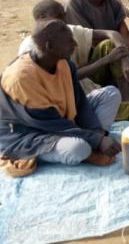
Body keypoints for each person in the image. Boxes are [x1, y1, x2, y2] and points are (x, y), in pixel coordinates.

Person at [0, 20, 122, 178]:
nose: (75, 44)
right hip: (31, 133)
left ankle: (92, 141)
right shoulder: (21, 77)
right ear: (50, 46)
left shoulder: (64, 64)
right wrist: (95, 140)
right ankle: (72, 153)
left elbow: (80, 102)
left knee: (111, 94)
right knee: (78, 148)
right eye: (69, 41)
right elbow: (47, 123)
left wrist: (97, 134)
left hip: (64, 121)